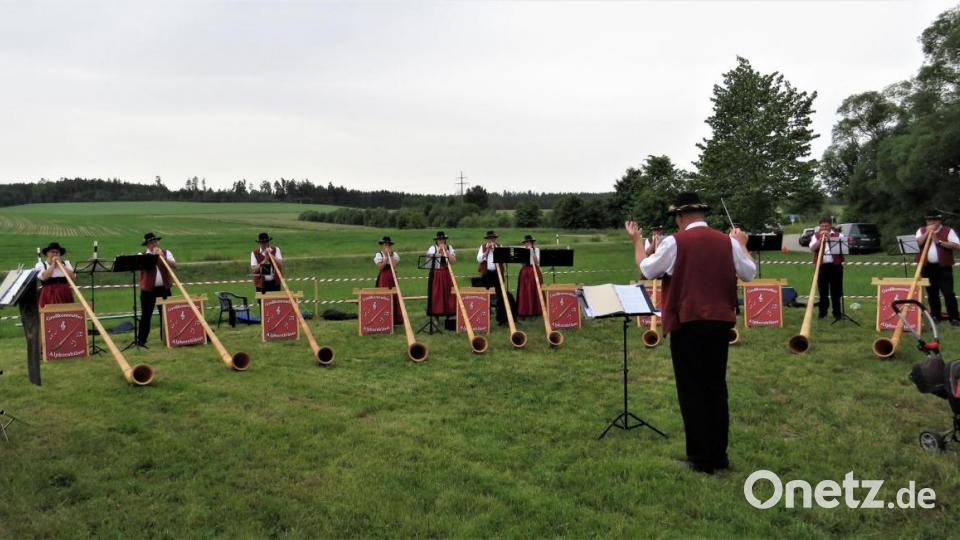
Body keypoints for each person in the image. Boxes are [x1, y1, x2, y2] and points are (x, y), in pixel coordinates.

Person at [626, 192, 756, 474]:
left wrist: (637, 241)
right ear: (703, 215)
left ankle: (700, 458)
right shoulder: (728, 242)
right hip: (720, 323)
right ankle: (718, 456)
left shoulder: (675, 241)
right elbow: (749, 273)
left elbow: (647, 271)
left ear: (680, 217)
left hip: (687, 323)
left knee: (692, 391)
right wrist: (742, 245)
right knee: (716, 389)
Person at [916, 211, 960, 325]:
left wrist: (938, 241)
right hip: (927, 267)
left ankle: (954, 317)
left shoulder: (948, 231)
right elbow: (917, 243)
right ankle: (936, 316)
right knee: (932, 293)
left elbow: (956, 245)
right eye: (929, 220)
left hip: (943, 267)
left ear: (939, 221)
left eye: (934, 220)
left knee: (948, 293)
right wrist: (927, 233)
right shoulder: (921, 230)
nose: (932, 222)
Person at [137, 232, 176, 347]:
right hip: (148, 290)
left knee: (166, 314)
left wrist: (162, 257)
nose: (154, 244)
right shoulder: (141, 255)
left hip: (164, 288)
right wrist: (153, 257)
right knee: (146, 315)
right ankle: (142, 340)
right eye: (151, 242)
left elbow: (174, 265)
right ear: (147, 244)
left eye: (155, 241)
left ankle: (167, 338)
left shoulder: (166, 253)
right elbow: (143, 267)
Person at [809, 216, 845, 320]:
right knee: (823, 292)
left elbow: (844, 249)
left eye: (826, 226)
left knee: (836, 292)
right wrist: (820, 240)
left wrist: (831, 239)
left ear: (830, 225)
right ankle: (822, 314)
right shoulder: (816, 236)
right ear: (819, 226)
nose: (824, 228)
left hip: (836, 267)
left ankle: (837, 314)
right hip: (822, 267)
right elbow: (812, 248)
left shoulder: (839, 235)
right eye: (822, 226)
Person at [476, 230, 510, 325]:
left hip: (497, 273)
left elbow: (504, 259)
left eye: (493, 238)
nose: (491, 240)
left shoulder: (499, 246)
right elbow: (479, 259)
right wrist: (487, 251)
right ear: (487, 239)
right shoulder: (482, 247)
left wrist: (495, 250)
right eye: (489, 239)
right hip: (487, 273)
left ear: (495, 239)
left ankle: (501, 314)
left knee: (500, 293)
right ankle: (486, 312)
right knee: (486, 293)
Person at [426, 231, 457, 319]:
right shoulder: (432, 248)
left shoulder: (449, 248)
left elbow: (453, 261)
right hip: (436, 274)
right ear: (436, 241)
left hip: (447, 273)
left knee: (449, 293)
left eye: (442, 239)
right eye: (439, 240)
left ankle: (449, 314)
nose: (441, 241)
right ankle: (436, 315)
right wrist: (439, 252)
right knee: (436, 294)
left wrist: (446, 252)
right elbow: (429, 265)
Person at [374, 236, 404, 326]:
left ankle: (396, 319)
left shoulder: (394, 254)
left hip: (392, 276)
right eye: (385, 245)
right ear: (382, 246)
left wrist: (390, 255)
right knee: (384, 295)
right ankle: (383, 318)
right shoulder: (379, 255)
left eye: (389, 245)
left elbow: (394, 265)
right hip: (384, 277)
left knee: (395, 295)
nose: (387, 246)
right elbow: (380, 267)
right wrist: (386, 258)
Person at [35, 242, 75, 308]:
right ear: (47, 253)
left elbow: (73, 277)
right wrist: (53, 264)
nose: (55, 254)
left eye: (57, 252)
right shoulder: (41, 265)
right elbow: (44, 277)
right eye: (52, 252)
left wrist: (61, 266)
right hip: (49, 292)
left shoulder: (66, 263)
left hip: (64, 292)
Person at [516, 234, 543, 317]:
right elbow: (521, 262)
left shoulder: (536, 250)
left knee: (535, 289)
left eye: (529, 242)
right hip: (525, 271)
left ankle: (536, 310)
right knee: (525, 290)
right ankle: (524, 310)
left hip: (534, 270)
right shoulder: (522, 250)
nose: (527, 244)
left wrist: (532, 251)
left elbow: (537, 261)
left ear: (532, 242)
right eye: (526, 242)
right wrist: (525, 253)